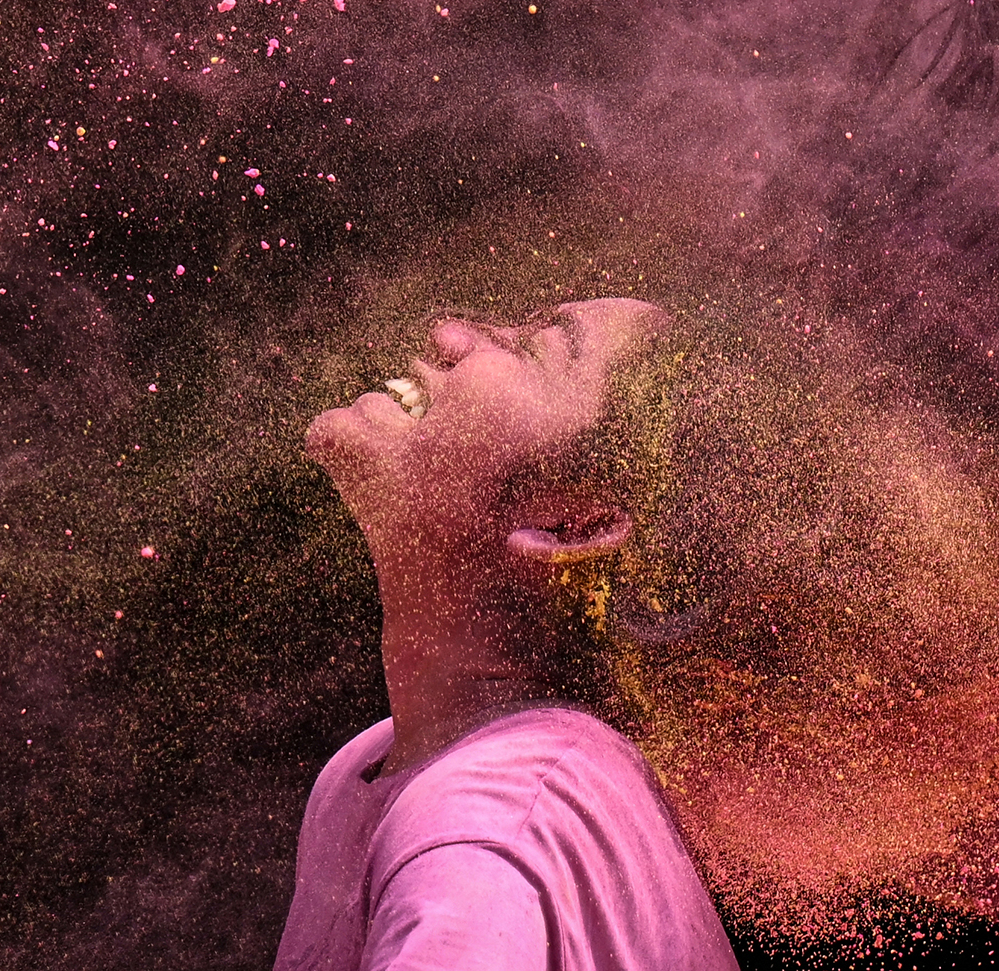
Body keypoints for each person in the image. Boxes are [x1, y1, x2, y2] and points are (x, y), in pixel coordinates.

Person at [274, 298, 742, 971]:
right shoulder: (371, 768)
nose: (450, 332)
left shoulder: (482, 837)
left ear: (572, 525)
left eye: (536, 348)